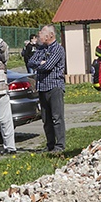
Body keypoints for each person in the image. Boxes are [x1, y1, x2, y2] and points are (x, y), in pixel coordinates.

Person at [28, 25, 66, 155]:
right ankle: (50, 144)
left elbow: (48, 66)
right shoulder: (41, 49)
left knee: (57, 117)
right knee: (46, 119)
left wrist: (42, 64)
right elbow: (30, 62)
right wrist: (40, 63)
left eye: (42, 32)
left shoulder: (58, 49)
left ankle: (60, 145)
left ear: (50, 35)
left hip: (54, 86)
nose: (39, 34)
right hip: (42, 87)